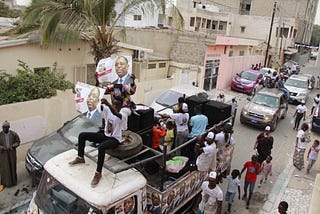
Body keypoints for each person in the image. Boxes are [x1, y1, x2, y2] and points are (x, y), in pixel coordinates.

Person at [69, 96, 127, 187]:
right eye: (114, 104)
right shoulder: (108, 109)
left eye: (117, 104)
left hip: (115, 139)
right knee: (82, 135)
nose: (115, 106)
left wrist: (108, 103)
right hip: (105, 135)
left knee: (101, 147)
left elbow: (115, 113)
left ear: (121, 105)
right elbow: (98, 107)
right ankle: (80, 157)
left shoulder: (123, 114)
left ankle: (98, 173)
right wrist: (94, 101)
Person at [0, 121, 20, 190]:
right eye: (3, 127)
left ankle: (13, 182)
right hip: (3, 154)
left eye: (5, 127)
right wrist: (2, 148)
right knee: (4, 168)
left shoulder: (13, 134)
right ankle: (4, 183)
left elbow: (18, 141)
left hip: (12, 153)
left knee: (12, 166)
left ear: (8, 127)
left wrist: (13, 146)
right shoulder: (0, 135)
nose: (4, 129)